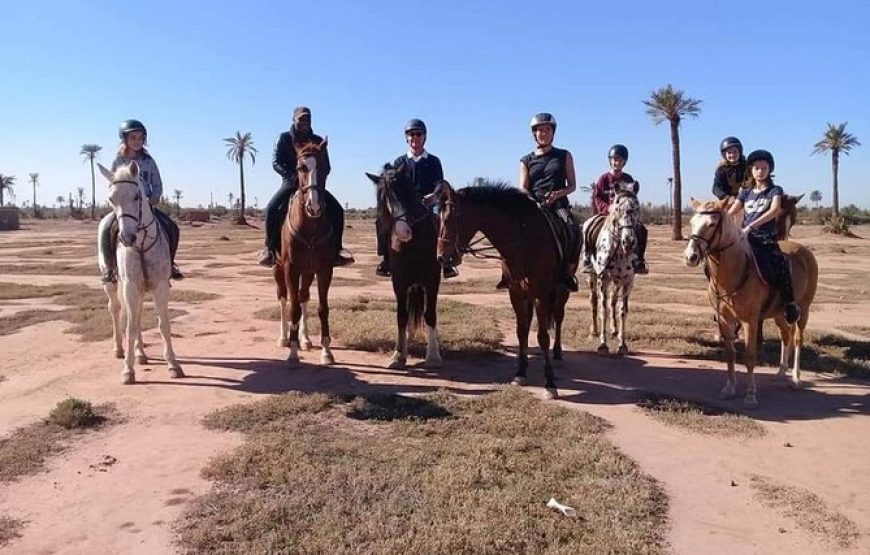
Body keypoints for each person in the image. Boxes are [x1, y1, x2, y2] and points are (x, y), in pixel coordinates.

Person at [257, 106, 354, 267]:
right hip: (291, 182)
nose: (304, 122)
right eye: (301, 119)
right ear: (294, 120)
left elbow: (327, 166)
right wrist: (292, 177)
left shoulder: (318, 141)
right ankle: (269, 249)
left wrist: (316, 179)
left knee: (337, 210)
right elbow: (276, 163)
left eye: (307, 119)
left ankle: (338, 250)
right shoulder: (283, 138)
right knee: (271, 209)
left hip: (313, 184)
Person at [98, 119, 183, 283]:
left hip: (147, 205)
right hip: (125, 208)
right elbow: (113, 183)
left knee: (172, 227)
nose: (137, 141)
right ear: (125, 140)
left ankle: (170, 264)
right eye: (133, 138)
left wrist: (155, 196)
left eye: (140, 138)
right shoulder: (117, 161)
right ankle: (110, 268)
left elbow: (157, 181)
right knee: (106, 228)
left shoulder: (148, 161)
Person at [375, 118, 458, 279]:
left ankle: (446, 261)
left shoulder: (433, 161)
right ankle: (386, 259)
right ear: (406, 138)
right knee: (381, 220)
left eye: (418, 134)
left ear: (424, 137)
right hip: (406, 204)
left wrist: (434, 195)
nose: (415, 137)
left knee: (443, 219)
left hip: (429, 202)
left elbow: (440, 182)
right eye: (411, 134)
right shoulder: (400, 161)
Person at [728, 149, 801, 324]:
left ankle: (789, 304)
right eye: (756, 168)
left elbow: (774, 210)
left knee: (780, 264)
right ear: (751, 170)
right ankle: (721, 300)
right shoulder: (745, 191)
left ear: (769, 170)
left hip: (766, 238)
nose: (760, 171)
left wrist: (751, 226)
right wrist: (721, 217)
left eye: (764, 168)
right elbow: (733, 210)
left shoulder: (774, 190)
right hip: (745, 239)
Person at [511, 112, 580, 291]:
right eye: (540, 130)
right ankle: (509, 274)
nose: (544, 133)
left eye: (547, 129)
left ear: (553, 132)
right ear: (534, 134)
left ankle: (568, 273)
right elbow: (523, 187)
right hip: (534, 206)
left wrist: (558, 194)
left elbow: (572, 185)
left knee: (573, 229)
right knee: (511, 231)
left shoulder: (564, 155)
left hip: (558, 205)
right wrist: (532, 201)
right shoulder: (526, 160)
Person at [580, 144, 648, 274]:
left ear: (624, 162)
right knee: (588, 226)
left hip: (624, 216)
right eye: (614, 159)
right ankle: (587, 258)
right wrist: (608, 207)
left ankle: (640, 260)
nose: (616, 162)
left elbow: (632, 198)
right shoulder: (603, 179)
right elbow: (597, 198)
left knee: (642, 230)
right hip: (605, 214)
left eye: (620, 160)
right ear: (610, 160)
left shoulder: (628, 179)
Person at [712, 136, 746, 200]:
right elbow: (716, 188)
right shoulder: (721, 170)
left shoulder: (747, 167)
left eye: (735, 152)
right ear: (724, 155)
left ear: (740, 152)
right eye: (729, 153)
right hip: (728, 201)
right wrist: (726, 197)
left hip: (747, 199)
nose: (732, 155)